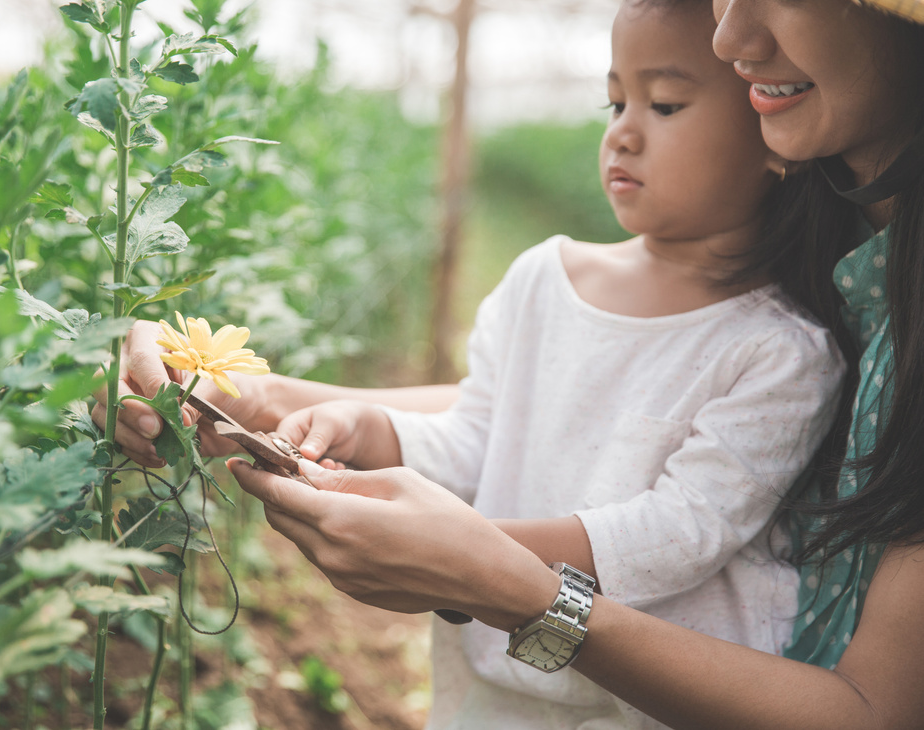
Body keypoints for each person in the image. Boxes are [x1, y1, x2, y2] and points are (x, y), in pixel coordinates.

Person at [222, 0, 924, 727]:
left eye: (665, 104)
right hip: (493, 682)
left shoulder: (783, 346)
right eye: (614, 101)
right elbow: (491, 425)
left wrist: (477, 557)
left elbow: (684, 528)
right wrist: (358, 425)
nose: (621, 131)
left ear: (767, 134)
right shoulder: (542, 278)